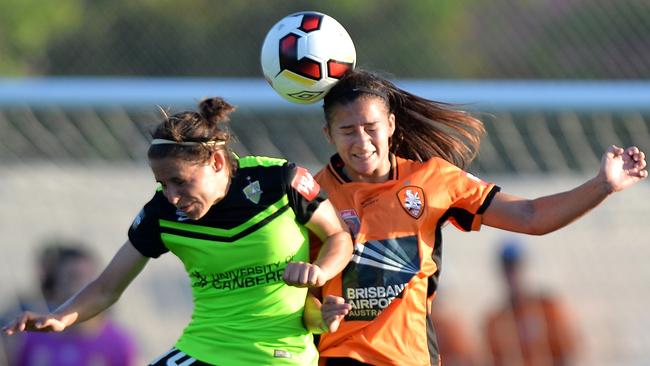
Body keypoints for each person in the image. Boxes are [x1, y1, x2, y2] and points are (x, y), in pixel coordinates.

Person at [306, 68, 647, 365]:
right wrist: (316, 314)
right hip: (339, 357)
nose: (362, 141)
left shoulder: (434, 180)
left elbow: (530, 216)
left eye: (371, 127)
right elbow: (289, 284)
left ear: (391, 125)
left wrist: (603, 185)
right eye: (348, 130)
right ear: (328, 135)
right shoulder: (311, 195)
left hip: (410, 359)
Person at [2, 97, 353, 366]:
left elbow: (339, 237)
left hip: (279, 354)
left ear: (216, 162)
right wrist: (60, 318)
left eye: (180, 181)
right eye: (162, 183)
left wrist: (319, 270)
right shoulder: (162, 213)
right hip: (204, 349)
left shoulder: (280, 181)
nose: (171, 195)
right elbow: (107, 286)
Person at [13, 242, 139, 366]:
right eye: (73, 278)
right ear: (55, 288)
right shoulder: (31, 339)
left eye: (91, 279)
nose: (85, 287)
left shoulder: (119, 343)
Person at [484, 241, 579, 366]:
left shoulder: (548, 308)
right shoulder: (495, 320)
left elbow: (567, 352)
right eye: (507, 268)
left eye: (516, 267)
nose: (513, 274)